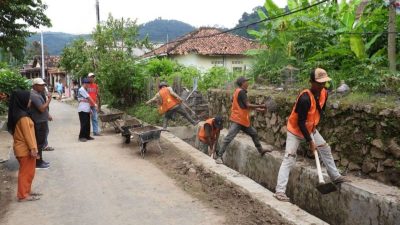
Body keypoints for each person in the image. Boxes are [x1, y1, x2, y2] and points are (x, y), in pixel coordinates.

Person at [274, 68, 350, 202]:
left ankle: (335, 176)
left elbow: (319, 112)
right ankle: (279, 192)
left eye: (324, 83)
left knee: (325, 149)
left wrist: (313, 134)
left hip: (311, 128)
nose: (322, 86)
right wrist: (310, 141)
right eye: (319, 83)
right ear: (311, 82)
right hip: (296, 129)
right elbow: (301, 122)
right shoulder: (304, 98)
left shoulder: (324, 93)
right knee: (289, 157)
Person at [215, 76, 270, 164]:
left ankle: (261, 150)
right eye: (246, 81)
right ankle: (219, 157)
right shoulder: (241, 92)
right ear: (242, 83)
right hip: (238, 120)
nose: (248, 83)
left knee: (254, 133)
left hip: (242, 120)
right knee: (228, 138)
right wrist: (261, 106)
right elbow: (247, 105)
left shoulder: (238, 91)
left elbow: (243, 106)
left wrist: (259, 109)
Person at [7, 90, 41, 202]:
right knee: (26, 173)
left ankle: (27, 191)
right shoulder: (24, 117)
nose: (30, 100)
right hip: (26, 150)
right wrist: (33, 149)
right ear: (22, 100)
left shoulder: (17, 114)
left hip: (21, 148)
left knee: (29, 172)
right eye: (28, 98)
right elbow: (28, 135)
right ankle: (23, 195)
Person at [30, 78, 52, 169]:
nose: (43, 86)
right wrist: (49, 100)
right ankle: (37, 162)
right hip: (38, 122)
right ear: (35, 86)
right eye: (41, 85)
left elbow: (44, 109)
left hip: (41, 121)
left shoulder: (38, 94)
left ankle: (40, 160)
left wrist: (48, 115)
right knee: (39, 143)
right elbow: (42, 108)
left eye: (43, 85)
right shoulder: (34, 95)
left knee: (41, 142)